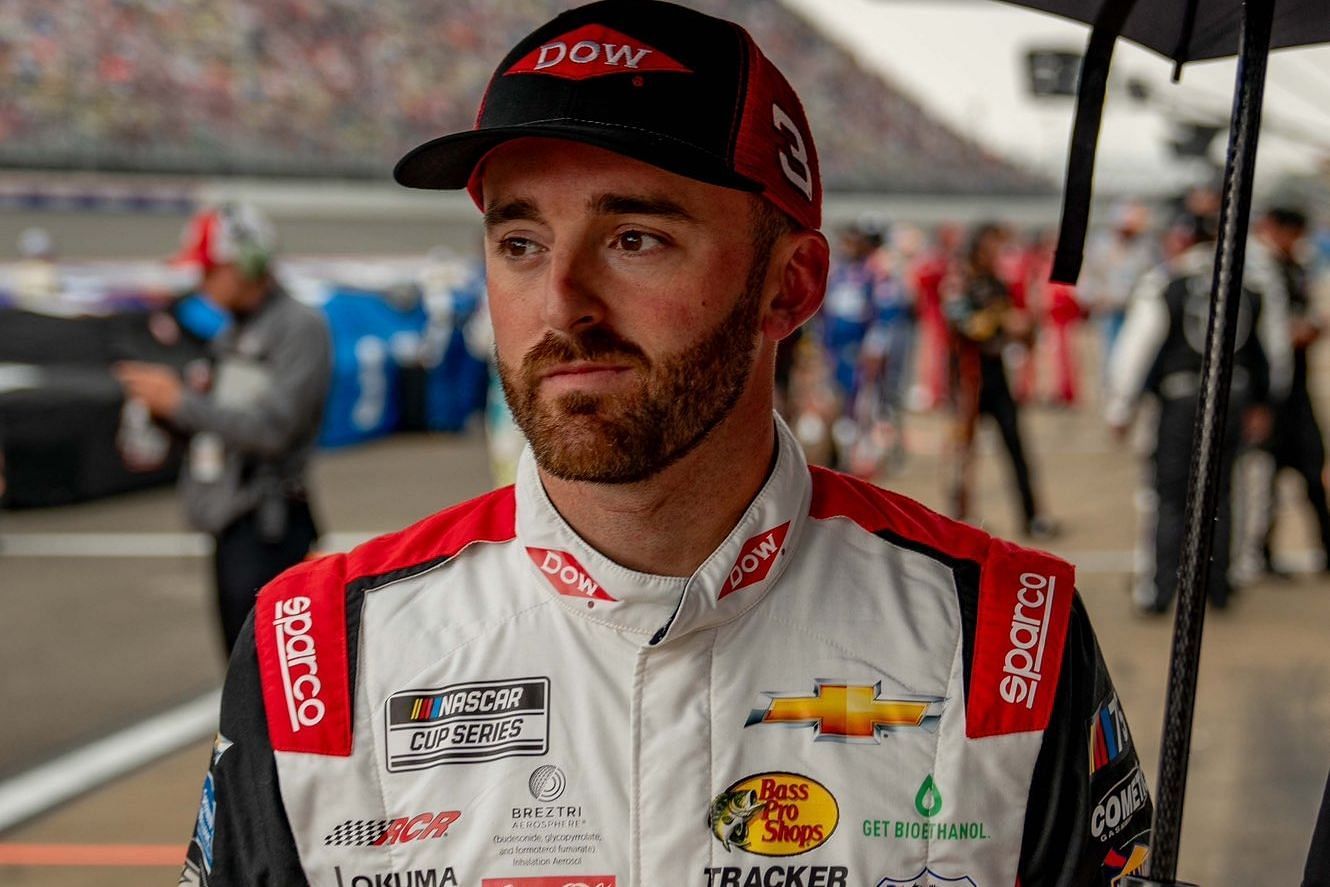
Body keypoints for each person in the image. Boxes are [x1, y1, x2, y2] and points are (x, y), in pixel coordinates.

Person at [181, 4, 1150, 885]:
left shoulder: (1009, 634)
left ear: (792, 286)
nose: (560, 302)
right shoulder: (311, 647)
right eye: (519, 243)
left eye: (635, 237)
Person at [116, 203, 331, 655]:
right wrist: (165, 414)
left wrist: (181, 401)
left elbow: (272, 430)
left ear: (248, 263)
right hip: (232, 521)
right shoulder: (231, 332)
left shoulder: (299, 328)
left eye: (213, 270)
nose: (202, 283)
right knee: (237, 670)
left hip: (271, 526)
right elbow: (220, 425)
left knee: (268, 675)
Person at [1105, 210, 1290, 613]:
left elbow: (1136, 351)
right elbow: (1275, 353)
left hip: (1181, 401)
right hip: (1232, 399)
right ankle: (1218, 587)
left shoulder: (1166, 281)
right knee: (1222, 493)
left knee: (1170, 495)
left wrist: (1121, 406)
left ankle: (1160, 590)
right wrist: (1266, 402)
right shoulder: (1253, 283)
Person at [945, 222, 1059, 538]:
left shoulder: (998, 284)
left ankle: (1033, 517)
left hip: (997, 378)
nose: (1000, 253)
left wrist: (1026, 325)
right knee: (963, 454)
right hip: (968, 381)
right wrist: (1004, 321)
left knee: (1017, 450)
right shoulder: (960, 284)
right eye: (994, 245)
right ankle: (959, 521)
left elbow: (1020, 333)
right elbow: (968, 325)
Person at [1240, 207, 1330, 577]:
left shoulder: (1297, 265)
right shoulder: (1255, 269)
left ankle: (1325, 548)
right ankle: (1258, 553)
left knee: (1311, 468)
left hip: (1296, 386)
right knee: (1266, 476)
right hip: (1268, 391)